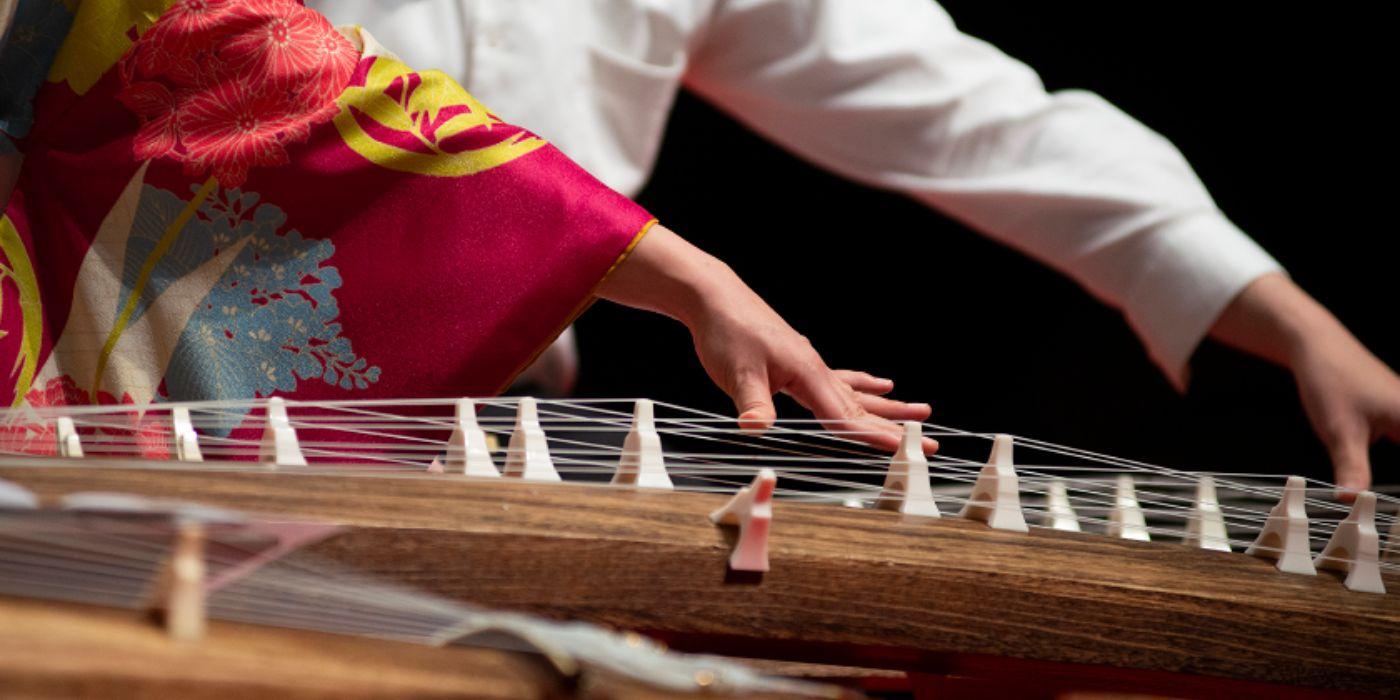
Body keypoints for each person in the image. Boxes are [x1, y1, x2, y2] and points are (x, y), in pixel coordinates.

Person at [306, 0, 1400, 492]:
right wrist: (692, 280)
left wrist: (1285, 313)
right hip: (215, 386)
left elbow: (964, 109)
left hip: (510, 439)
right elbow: (262, 92)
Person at [0, 0, 930, 453]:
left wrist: (696, 282)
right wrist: (694, 281)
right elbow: (240, 68)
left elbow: (955, 108)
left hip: (525, 410)